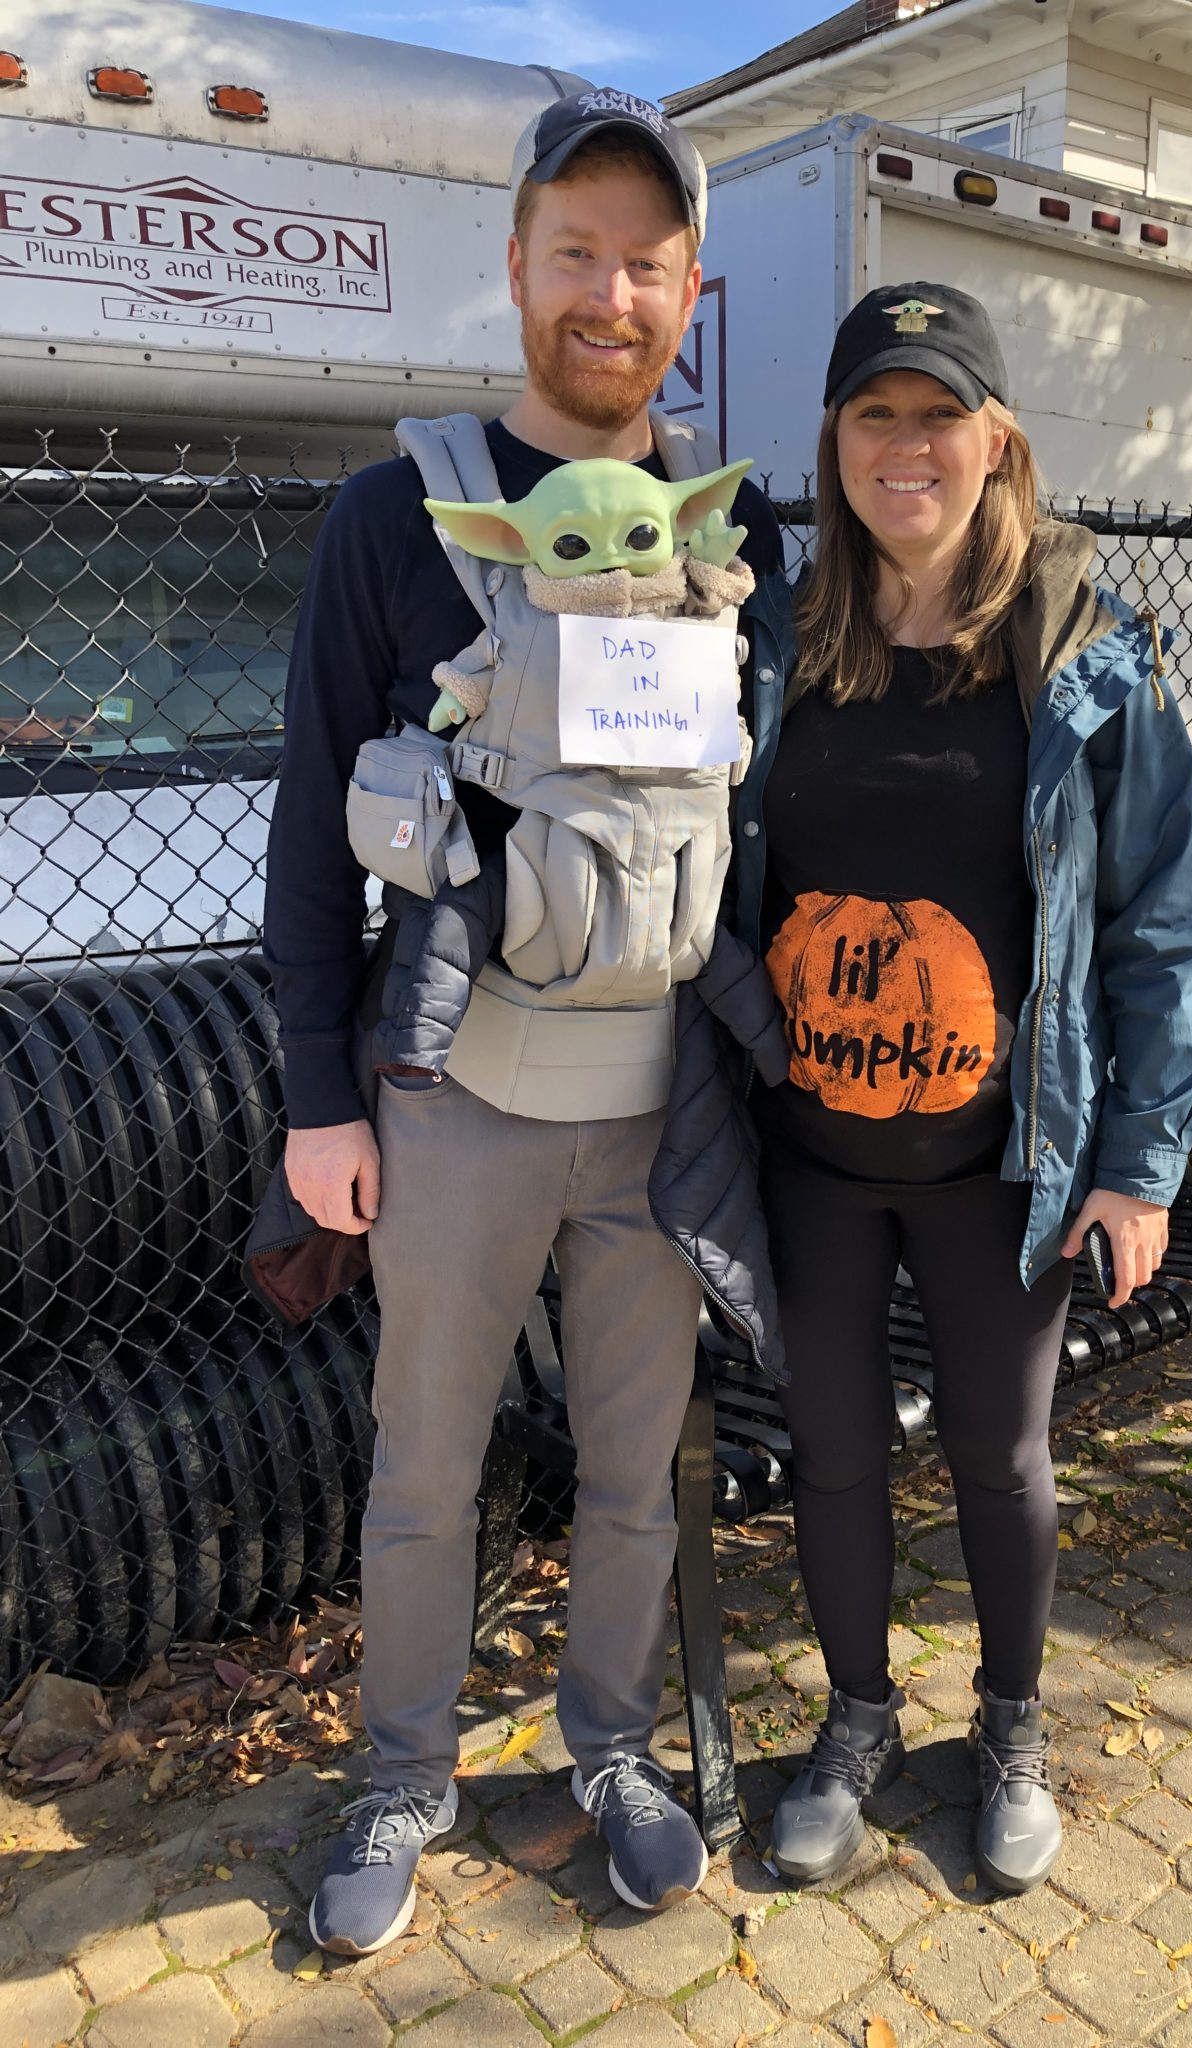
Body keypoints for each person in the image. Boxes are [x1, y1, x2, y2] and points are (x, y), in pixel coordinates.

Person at [261, 87, 784, 1957]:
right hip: (457, 1102)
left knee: (642, 1466)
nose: (609, 290)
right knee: (427, 1466)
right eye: (576, 249)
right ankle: (403, 1774)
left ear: (688, 289)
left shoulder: (732, 539)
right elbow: (317, 821)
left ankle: (615, 1754)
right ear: (516, 266)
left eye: (646, 260)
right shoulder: (388, 521)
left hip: (670, 1106)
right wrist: (324, 1101)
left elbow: (755, 812)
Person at [729, 282, 1192, 1894]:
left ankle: (1009, 1723)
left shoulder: (1080, 655)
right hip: (806, 1150)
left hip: (1001, 1157)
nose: (906, 444)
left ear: (994, 436)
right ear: (838, 440)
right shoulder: (774, 641)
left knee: (1004, 1458)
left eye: (937, 411)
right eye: (876, 412)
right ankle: (860, 1718)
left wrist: (1140, 1164)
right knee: (837, 1448)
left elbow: (1161, 917)